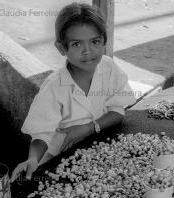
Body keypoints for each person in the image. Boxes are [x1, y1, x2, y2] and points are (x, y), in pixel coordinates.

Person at [11, 3, 136, 182]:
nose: (88, 51)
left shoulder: (109, 67)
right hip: (61, 159)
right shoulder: (54, 87)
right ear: (62, 48)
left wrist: (88, 128)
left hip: (99, 148)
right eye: (77, 44)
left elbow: (117, 111)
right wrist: (33, 159)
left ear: (104, 41)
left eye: (95, 42)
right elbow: (41, 134)